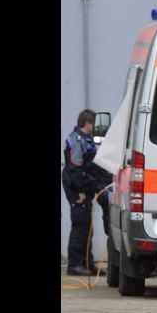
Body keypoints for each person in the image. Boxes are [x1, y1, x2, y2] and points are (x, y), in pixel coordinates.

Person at [62, 109, 99, 276]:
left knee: (87, 226)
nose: (93, 127)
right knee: (80, 226)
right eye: (93, 123)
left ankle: (87, 263)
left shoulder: (85, 139)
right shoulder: (77, 140)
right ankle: (74, 265)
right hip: (78, 190)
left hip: (84, 187)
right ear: (87, 123)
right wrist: (80, 191)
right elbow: (75, 168)